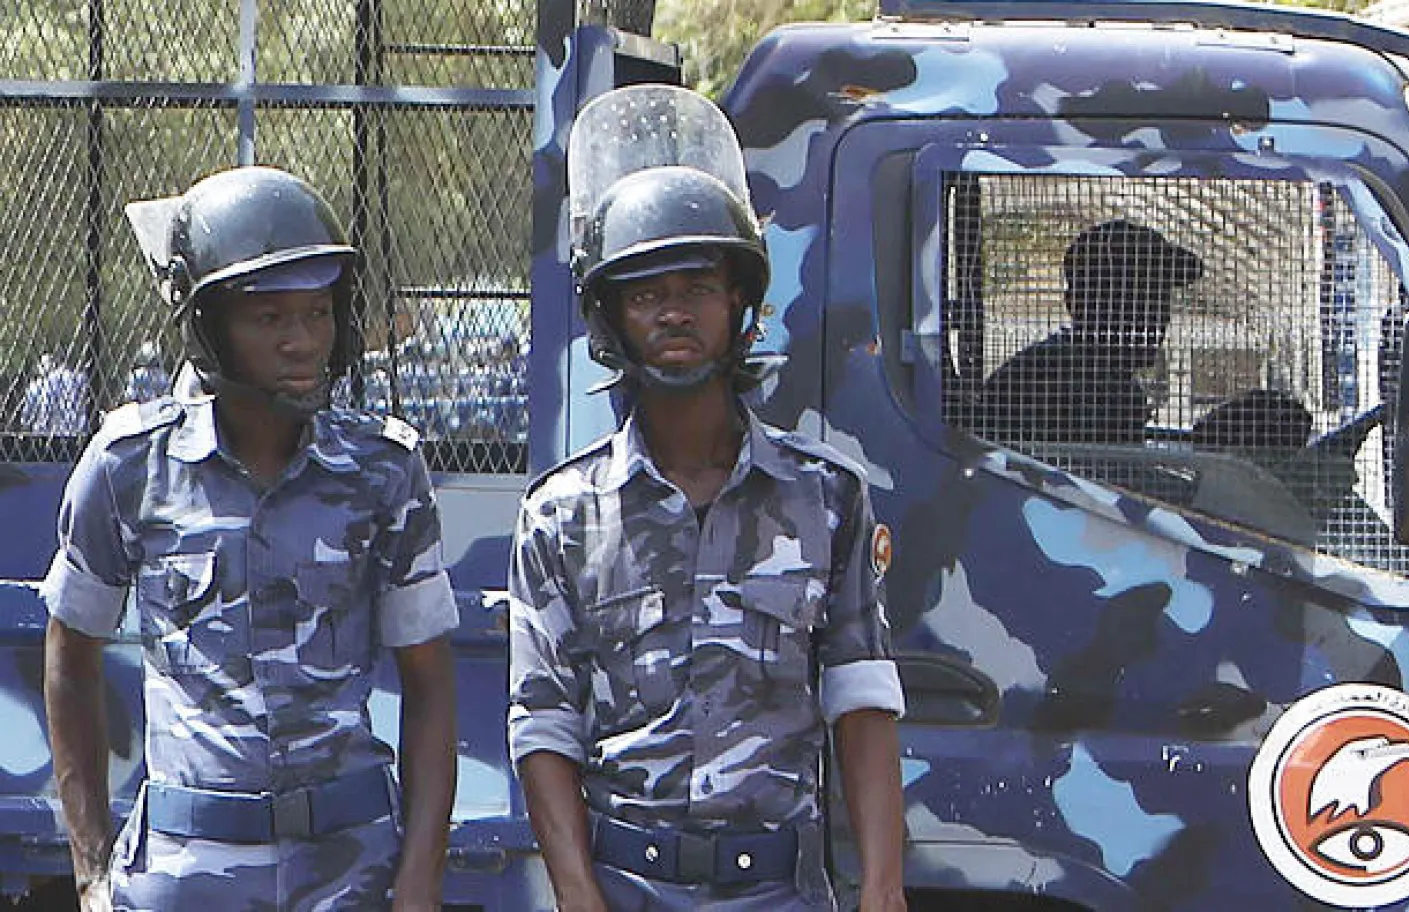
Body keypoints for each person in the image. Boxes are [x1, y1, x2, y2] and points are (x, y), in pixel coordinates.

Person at [508, 85, 907, 911]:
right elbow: (543, 727)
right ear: (611, 317)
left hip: (780, 890)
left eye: (697, 286)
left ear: (740, 304)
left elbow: (861, 701)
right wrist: (580, 894)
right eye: (647, 294)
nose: (675, 313)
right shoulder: (562, 515)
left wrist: (883, 887)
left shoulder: (826, 497)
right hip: (627, 884)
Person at [42, 166, 458, 911]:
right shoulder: (129, 465)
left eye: (319, 312)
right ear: (209, 328)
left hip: (349, 868)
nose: (302, 341)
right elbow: (71, 664)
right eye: (268, 318)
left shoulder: (383, 470)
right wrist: (92, 873)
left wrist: (419, 881)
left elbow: (430, 686)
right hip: (187, 872)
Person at [979, 218, 1203, 445]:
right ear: (1078, 304)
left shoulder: (1110, 382)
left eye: (1160, 298)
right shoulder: (1045, 384)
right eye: (1132, 299)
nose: (1155, 317)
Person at [20, 351, 90, 435]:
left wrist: (35, 426)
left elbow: (45, 407)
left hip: (55, 432)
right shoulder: (81, 378)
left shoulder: (48, 382)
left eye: (42, 364)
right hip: (80, 431)